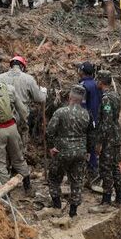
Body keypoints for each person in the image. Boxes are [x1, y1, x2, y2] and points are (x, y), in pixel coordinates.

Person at [46, 84, 92, 217]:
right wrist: (88, 151)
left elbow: (50, 131)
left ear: (70, 96)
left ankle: (56, 205)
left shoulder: (60, 112)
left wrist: (51, 147)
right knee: (77, 180)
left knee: (54, 177)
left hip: (62, 151)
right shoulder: (86, 114)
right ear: (82, 99)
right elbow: (90, 134)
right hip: (80, 151)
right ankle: (73, 211)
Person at [0, 55, 47, 140]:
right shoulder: (28, 78)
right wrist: (44, 92)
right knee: (19, 144)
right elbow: (40, 98)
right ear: (22, 66)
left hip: (2, 115)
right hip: (21, 116)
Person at [96, 70, 121, 206]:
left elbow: (106, 122)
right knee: (115, 167)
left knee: (106, 168)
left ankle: (106, 199)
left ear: (101, 82)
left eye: (98, 80)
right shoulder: (115, 96)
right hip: (116, 136)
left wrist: (100, 142)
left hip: (109, 139)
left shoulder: (106, 98)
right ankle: (119, 197)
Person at [79, 62, 102, 172]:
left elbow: (81, 106)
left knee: (87, 146)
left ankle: (90, 170)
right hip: (97, 119)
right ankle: (93, 168)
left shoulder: (83, 86)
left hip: (87, 120)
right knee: (92, 146)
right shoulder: (97, 85)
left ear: (82, 72)